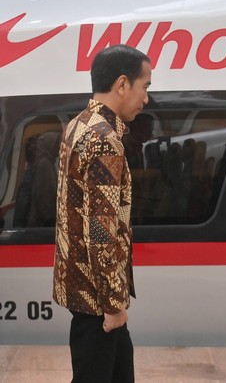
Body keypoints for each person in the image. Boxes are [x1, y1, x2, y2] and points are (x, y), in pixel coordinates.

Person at [53, 44, 151, 383]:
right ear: (122, 84)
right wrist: (112, 304)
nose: (146, 98)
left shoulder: (78, 124)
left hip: (81, 285)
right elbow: (101, 229)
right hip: (96, 298)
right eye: (145, 86)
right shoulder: (104, 139)